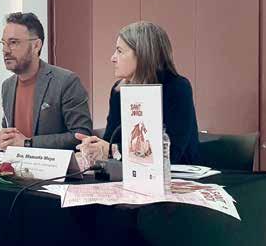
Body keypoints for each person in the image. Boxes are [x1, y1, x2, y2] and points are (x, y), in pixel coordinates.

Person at [76, 21, 200, 165]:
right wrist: (95, 149)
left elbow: (170, 153)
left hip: (177, 173)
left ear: (142, 55)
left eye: (120, 51)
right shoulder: (118, 91)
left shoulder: (178, 88)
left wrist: (112, 150)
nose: (113, 58)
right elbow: (111, 141)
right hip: (130, 172)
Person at [0, 12, 92, 150]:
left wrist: (29, 143)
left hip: (56, 165)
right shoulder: (7, 86)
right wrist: (4, 141)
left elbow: (81, 135)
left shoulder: (66, 82)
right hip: (15, 163)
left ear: (36, 46)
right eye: (3, 43)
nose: (5, 50)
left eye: (13, 42)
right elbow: (12, 137)